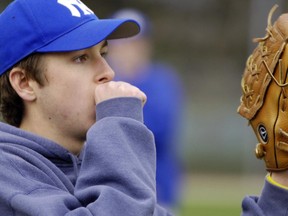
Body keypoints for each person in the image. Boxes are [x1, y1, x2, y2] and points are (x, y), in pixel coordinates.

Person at [0, 0, 172, 215]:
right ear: (25, 83)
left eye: (103, 54)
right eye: (81, 58)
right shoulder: (6, 173)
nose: (108, 72)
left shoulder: (96, 166)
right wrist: (119, 126)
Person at [107, 9, 185, 208]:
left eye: (132, 42)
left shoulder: (162, 79)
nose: (126, 48)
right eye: (120, 42)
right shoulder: (103, 80)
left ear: (145, 45)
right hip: (111, 188)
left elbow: (160, 129)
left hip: (158, 183)